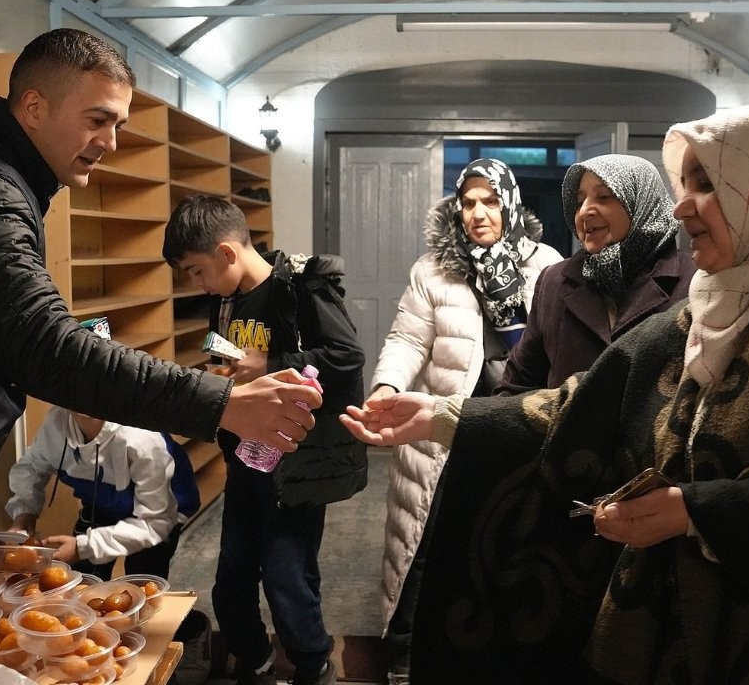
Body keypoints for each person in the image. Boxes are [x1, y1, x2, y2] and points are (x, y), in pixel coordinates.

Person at [340, 105, 749, 683]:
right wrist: (441, 415)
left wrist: (700, 512)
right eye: (681, 185)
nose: (682, 205)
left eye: (707, 183)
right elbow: (590, 403)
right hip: (678, 629)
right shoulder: (709, 306)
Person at [0, 28, 321, 545]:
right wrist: (222, 402)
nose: (111, 143)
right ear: (35, 106)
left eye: (118, 125)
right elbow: (44, 346)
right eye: (98, 120)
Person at [366, 158, 562, 683]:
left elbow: (561, 346)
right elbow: (408, 339)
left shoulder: (546, 265)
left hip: (515, 425)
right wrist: (389, 385)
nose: (478, 213)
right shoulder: (434, 268)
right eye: (468, 202)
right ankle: (406, 655)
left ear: (510, 203)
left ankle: (487, 647)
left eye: (490, 201)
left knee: (503, 538)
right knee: (424, 541)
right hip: (443, 426)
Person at [163, 194, 368, 685]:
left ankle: (313, 662)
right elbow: (232, 350)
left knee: (286, 576)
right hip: (244, 459)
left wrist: (272, 364)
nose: (197, 284)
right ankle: (253, 658)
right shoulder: (227, 297)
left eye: (196, 271)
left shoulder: (299, 287)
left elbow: (347, 355)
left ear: (227, 254)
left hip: (295, 464)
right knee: (231, 578)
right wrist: (221, 366)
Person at [4, 318, 198, 580]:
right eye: (71, 380)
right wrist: (24, 513)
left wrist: (86, 545)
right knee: (80, 579)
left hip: (158, 512)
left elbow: (155, 523)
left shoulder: (140, 438)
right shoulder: (57, 422)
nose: (82, 391)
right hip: (102, 502)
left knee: (143, 581)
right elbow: (32, 466)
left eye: (95, 379)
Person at [495, 154, 694, 393]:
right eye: (579, 202)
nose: (585, 211)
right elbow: (517, 385)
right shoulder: (555, 281)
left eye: (604, 197)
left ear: (641, 202)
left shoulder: (694, 280)